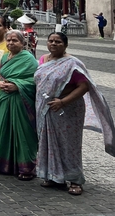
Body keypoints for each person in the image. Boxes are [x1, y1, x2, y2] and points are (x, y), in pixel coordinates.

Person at [35, 32, 115, 196]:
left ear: (65, 45)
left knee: (69, 144)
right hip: (46, 108)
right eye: (51, 41)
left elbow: (84, 86)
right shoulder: (43, 59)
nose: (53, 44)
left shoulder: (73, 64)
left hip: (68, 109)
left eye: (58, 42)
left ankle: (75, 180)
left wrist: (63, 102)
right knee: (47, 142)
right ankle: (53, 176)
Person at [0, 30, 38, 180]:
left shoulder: (29, 59)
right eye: (8, 40)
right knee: (3, 127)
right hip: (4, 97)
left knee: (22, 131)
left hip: (20, 99)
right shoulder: (5, 56)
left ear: (23, 43)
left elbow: (35, 81)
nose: (11, 43)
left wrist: (17, 86)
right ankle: (4, 164)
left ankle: (26, 168)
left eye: (15, 40)